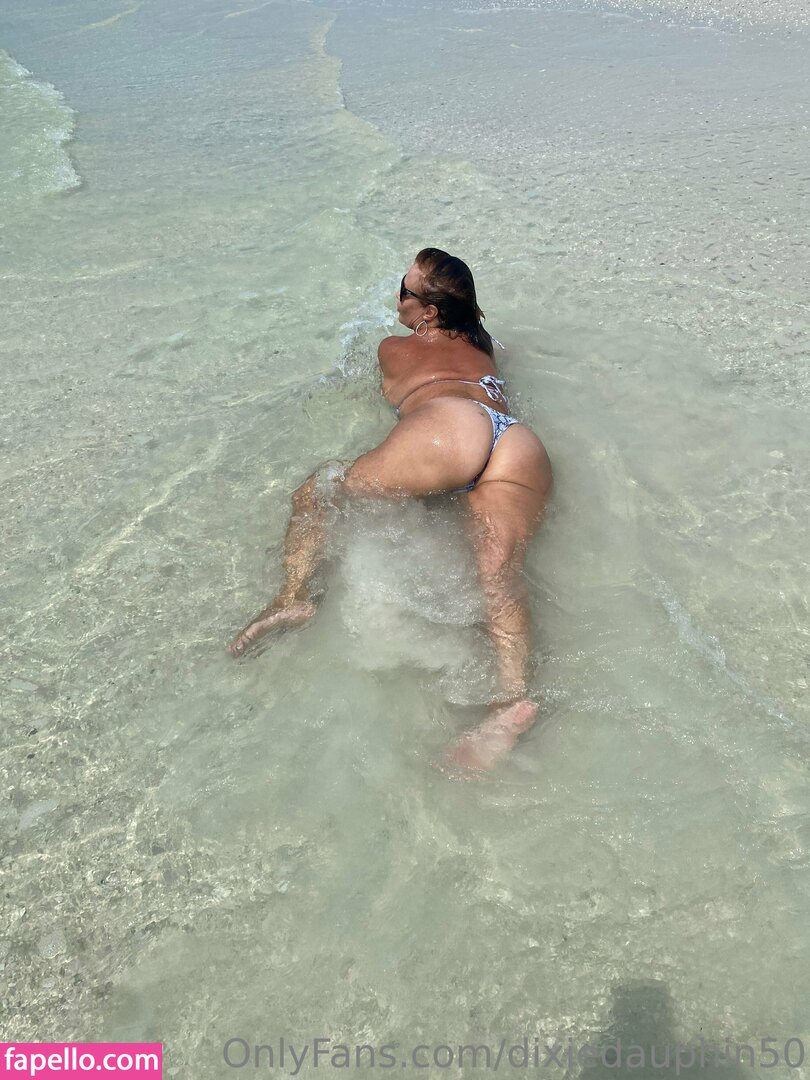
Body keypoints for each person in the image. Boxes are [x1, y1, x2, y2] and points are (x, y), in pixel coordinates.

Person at [227, 248, 553, 772]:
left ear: (428, 312)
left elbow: (375, 388)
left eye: (404, 290)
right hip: (517, 441)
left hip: (451, 429)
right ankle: (511, 700)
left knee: (319, 491)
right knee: (499, 573)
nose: (397, 297)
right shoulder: (486, 346)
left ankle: (293, 598)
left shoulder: (392, 347)